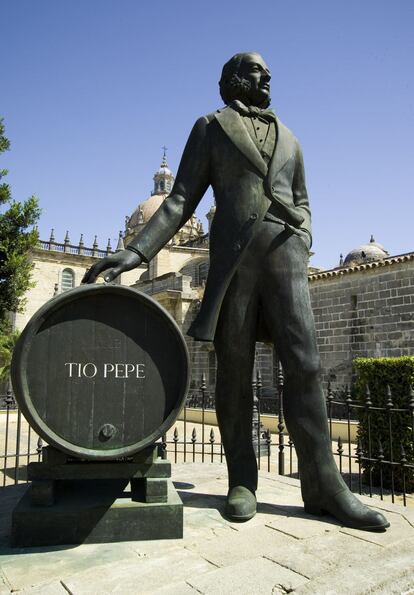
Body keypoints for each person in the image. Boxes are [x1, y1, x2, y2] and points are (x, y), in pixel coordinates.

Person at [83, 52, 389, 531]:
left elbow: (302, 200)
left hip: (288, 261)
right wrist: (137, 254)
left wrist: (302, 236)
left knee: (306, 365)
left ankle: (324, 484)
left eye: (267, 72)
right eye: (254, 70)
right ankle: (241, 480)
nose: (265, 77)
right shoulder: (212, 126)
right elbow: (182, 199)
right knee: (235, 369)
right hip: (234, 265)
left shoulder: (290, 138)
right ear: (231, 81)